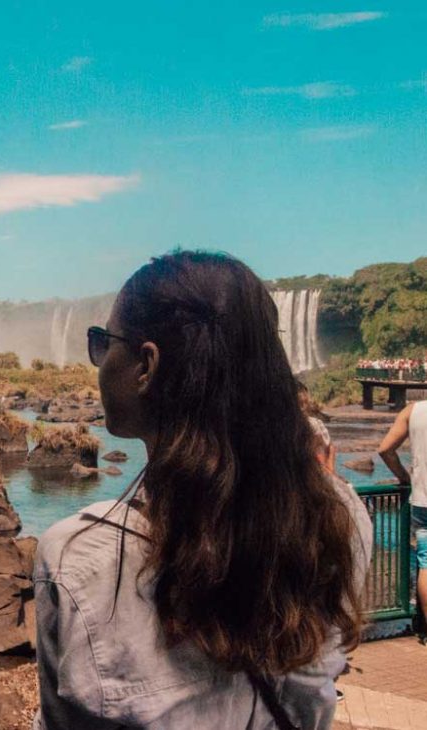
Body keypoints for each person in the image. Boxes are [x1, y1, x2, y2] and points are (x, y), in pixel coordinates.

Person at [34, 251, 371, 729]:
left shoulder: (78, 558)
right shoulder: (344, 517)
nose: (99, 359)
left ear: (146, 365)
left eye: (103, 342)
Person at [377, 401, 427, 638]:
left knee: (426, 564)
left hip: (421, 500)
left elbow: (385, 449)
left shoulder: (412, 410)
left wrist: (404, 477)